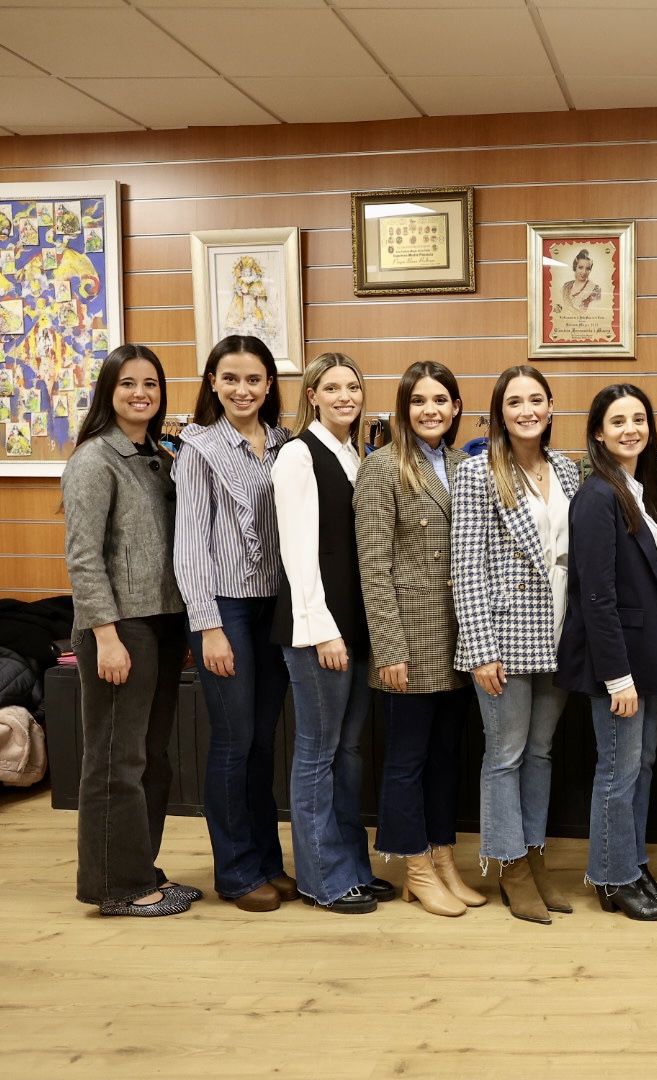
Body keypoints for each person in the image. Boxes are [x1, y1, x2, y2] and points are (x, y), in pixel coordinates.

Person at [63, 344, 194, 917]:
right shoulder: (95, 460)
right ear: (108, 392)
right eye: (128, 384)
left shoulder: (160, 455)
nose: (141, 394)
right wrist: (106, 635)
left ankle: (141, 869)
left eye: (151, 385)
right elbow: (83, 557)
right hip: (120, 628)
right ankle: (118, 887)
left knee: (150, 756)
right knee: (115, 758)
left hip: (164, 622)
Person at [451, 365, 581, 924]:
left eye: (535, 400)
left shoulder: (569, 472)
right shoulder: (480, 473)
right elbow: (467, 566)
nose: (526, 410)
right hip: (503, 636)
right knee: (504, 755)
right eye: (514, 402)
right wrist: (480, 648)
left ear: (551, 406)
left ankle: (534, 855)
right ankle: (508, 865)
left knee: (541, 753)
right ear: (499, 413)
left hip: (560, 634)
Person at [556, 384, 657, 921]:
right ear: (597, 434)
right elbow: (597, 596)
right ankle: (611, 878)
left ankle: (631, 864)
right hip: (618, 664)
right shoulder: (596, 496)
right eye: (617, 421)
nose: (630, 429)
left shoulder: (635, 489)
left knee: (641, 766)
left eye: (639, 419)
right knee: (617, 770)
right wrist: (617, 679)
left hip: (648, 653)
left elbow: (649, 579)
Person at [173, 334, 295, 912]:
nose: (242, 390)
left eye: (253, 379)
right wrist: (209, 626)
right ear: (213, 384)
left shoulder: (283, 445)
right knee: (233, 739)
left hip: (275, 609)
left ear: (269, 385)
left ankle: (267, 860)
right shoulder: (198, 448)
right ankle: (237, 870)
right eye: (230, 379)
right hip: (224, 608)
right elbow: (190, 546)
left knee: (263, 741)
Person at [354, 361, 478, 918]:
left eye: (441, 400)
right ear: (403, 409)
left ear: (455, 407)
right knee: (408, 757)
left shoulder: (462, 463)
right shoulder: (382, 467)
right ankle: (415, 866)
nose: (431, 410)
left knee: (446, 755)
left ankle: (442, 854)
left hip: (459, 632)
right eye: (419, 401)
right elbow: (372, 565)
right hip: (410, 632)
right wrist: (389, 647)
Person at [270, 353, 391, 915]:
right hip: (320, 632)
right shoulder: (297, 455)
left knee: (348, 754)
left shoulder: (354, 454)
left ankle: (352, 867)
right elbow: (297, 553)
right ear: (312, 395)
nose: (346, 396)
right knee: (317, 755)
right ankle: (321, 878)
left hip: (357, 628)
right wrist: (323, 631)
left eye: (354, 386)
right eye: (333, 387)